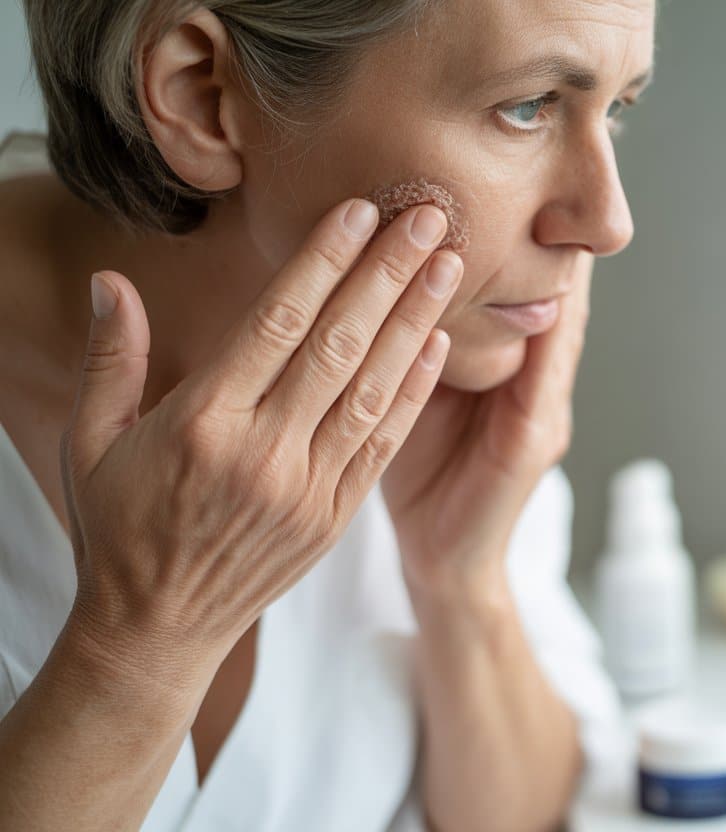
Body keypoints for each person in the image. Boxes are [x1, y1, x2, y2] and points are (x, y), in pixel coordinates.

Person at [0, 0, 655, 829]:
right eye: (525, 107)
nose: (610, 222)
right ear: (205, 96)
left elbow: (527, 813)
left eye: (619, 107)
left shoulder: (426, 366)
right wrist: (139, 642)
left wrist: (462, 580)